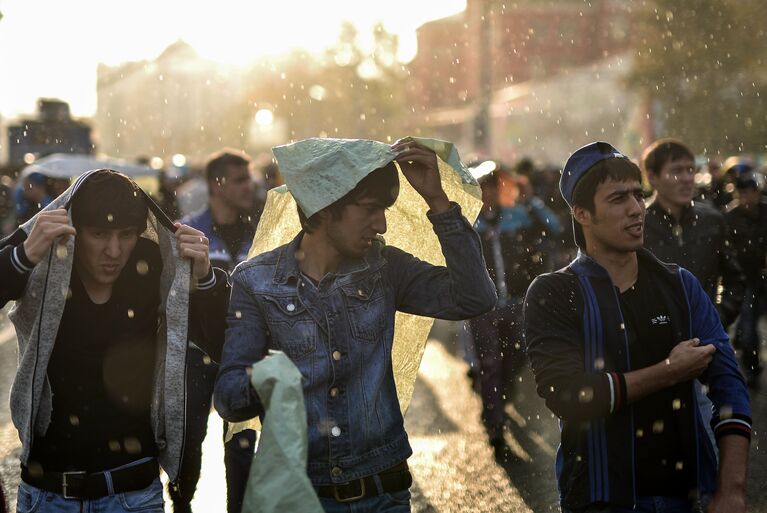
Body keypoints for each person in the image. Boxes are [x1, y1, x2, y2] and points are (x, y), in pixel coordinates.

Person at [214, 138, 496, 512]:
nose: (380, 225)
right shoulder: (256, 282)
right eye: (369, 210)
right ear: (325, 208)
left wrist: (439, 203)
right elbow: (230, 399)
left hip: (384, 492)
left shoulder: (387, 269)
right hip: (301, 496)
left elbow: (475, 298)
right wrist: (270, 377)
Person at [524, 142, 751, 513]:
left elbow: (729, 385)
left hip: (687, 495)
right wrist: (668, 372)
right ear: (582, 213)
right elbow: (568, 395)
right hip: (601, 498)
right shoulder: (556, 291)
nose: (635, 209)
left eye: (637, 194)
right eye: (617, 199)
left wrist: (732, 490)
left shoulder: (679, 284)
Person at [0, 169, 229, 512]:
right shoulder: (47, 259)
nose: (113, 250)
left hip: (134, 491)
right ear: (77, 231)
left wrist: (206, 279)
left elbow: (223, 343)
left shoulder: (152, 266)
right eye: (99, 234)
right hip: (49, 492)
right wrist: (22, 256)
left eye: (126, 235)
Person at [176, 150, 257, 513]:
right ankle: (180, 505)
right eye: (240, 179)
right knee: (188, 443)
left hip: (244, 357)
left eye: (249, 178)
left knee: (242, 447)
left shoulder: (260, 230)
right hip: (195, 357)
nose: (249, 186)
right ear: (217, 184)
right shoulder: (187, 232)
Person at [469, 165, 562, 452]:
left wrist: (530, 199)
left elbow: (554, 228)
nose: (490, 192)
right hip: (483, 307)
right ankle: (494, 420)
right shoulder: (469, 223)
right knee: (490, 363)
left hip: (516, 302)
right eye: (484, 187)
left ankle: (503, 393)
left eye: (494, 186)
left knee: (517, 355)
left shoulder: (517, 216)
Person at [642, 139, 745, 328]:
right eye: (676, 171)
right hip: (656, 343)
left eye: (690, 170)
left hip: (709, 341)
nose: (687, 178)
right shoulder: (637, 224)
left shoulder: (712, 220)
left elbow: (735, 280)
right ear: (652, 177)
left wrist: (717, 319)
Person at [725, 169, 767, 388]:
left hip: (763, 277)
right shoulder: (730, 217)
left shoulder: (765, 211)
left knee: (748, 327)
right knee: (748, 327)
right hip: (746, 280)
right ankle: (751, 368)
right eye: (740, 193)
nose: (744, 198)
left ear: (757, 192)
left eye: (749, 192)